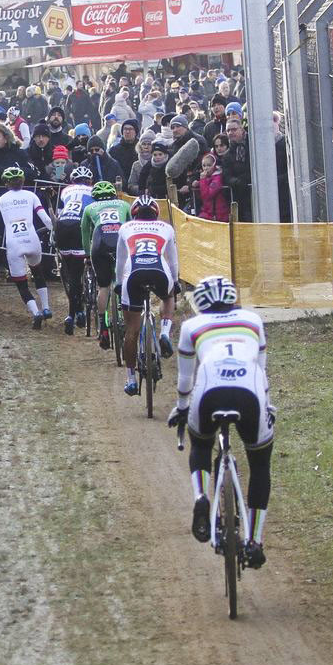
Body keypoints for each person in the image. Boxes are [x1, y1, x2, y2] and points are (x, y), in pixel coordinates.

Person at [166, 275, 273, 569]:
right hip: (250, 393)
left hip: (209, 391)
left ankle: (201, 495)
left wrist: (181, 407)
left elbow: (186, 379)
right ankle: (255, 541)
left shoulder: (191, 326)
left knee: (200, 444)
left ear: (199, 303)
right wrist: (269, 406)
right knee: (260, 463)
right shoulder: (253, 320)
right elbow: (261, 373)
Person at [115, 195, 179, 395]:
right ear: (156, 213)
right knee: (168, 297)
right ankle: (164, 333)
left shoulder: (125, 228)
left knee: (131, 331)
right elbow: (173, 261)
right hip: (160, 272)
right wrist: (175, 282)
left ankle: (131, 379)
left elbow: (120, 261)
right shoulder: (166, 228)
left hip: (133, 275)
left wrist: (118, 283)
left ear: (134, 214)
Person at [0, 122, 39, 278]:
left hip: (19, 200)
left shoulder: (19, 153)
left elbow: (32, 171)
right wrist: (4, 172)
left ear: (5, 138)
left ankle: (26, 265)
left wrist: (15, 173)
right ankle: (2, 263)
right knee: (0, 230)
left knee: (18, 232)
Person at [0, 167, 55, 327]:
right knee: (38, 272)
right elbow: (45, 218)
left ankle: (36, 313)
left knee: (21, 283)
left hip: (14, 242)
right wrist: (55, 229)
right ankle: (46, 308)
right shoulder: (31, 195)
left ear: (6, 183)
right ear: (23, 181)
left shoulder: (1, 199)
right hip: (32, 240)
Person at [81, 181, 130, 348]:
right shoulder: (124, 204)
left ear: (94, 197)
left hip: (99, 245)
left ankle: (103, 326)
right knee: (122, 282)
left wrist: (87, 255)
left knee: (103, 287)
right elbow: (131, 227)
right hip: (120, 244)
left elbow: (85, 233)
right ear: (114, 194)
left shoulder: (89, 209)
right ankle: (127, 318)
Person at [54, 166, 96, 334]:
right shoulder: (94, 191)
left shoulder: (65, 190)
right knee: (79, 272)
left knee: (71, 274)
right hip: (79, 226)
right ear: (90, 181)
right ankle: (75, 313)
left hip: (62, 225)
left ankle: (74, 313)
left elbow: (58, 212)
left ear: (72, 181)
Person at [197, 153, 231, 222]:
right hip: (208, 212)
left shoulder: (217, 178)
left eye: (209, 165)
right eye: (204, 166)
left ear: (214, 165)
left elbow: (208, 195)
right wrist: (197, 184)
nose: (206, 168)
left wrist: (202, 180)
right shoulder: (206, 178)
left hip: (218, 215)